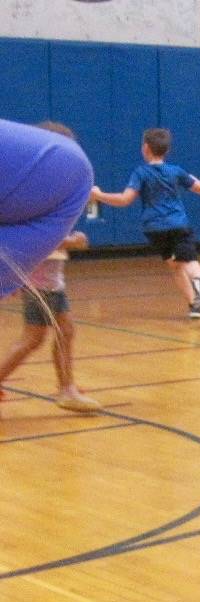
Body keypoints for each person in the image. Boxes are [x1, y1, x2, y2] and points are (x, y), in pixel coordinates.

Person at [0, 123, 101, 417]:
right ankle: (65, 388)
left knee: (64, 331)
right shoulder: (29, 198)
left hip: (52, 282)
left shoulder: (47, 195)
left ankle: (67, 388)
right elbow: (36, 243)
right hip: (39, 281)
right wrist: (73, 240)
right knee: (33, 338)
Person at [90, 127, 200, 319]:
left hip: (155, 229)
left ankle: (194, 305)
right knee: (191, 265)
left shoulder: (141, 173)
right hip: (178, 225)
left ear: (145, 148)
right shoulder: (176, 171)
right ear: (167, 151)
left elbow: (124, 199)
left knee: (176, 266)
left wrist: (99, 195)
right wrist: (195, 179)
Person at [0, 118, 92, 300]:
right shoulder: (68, 172)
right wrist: (72, 241)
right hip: (40, 285)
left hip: (52, 285)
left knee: (63, 324)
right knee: (36, 328)